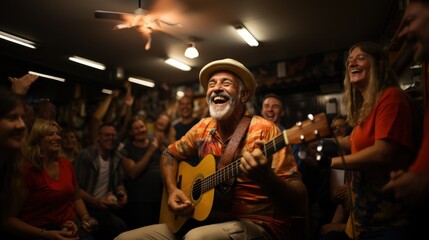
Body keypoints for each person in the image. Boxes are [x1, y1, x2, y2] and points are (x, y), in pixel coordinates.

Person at [115, 58, 307, 240]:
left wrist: (267, 178)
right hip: (201, 220)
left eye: (226, 83)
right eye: (212, 84)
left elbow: (298, 201)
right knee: (123, 237)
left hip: (258, 225)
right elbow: (169, 154)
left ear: (244, 95)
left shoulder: (266, 131)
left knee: (196, 238)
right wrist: (173, 189)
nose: (216, 88)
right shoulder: (203, 128)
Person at [330, 42, 416, 239]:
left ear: (378, 64)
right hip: (366, 222)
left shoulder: (391, 98)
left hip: (391, 223)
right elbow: (351, 142)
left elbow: (383, 152)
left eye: (361, 58)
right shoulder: (366, 110)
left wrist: (330, 162)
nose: (352, 63)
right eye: (349, 61)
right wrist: (318, 142)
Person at [4, 119, 96, 240]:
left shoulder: (66, 164)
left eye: (58, 134)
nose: (57, 137)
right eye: (51, 134)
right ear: (38, 140)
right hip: (40, 232)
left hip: (70, 226)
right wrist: (45, 234)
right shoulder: (28, 170)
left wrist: (85, 218)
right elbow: (8, 220)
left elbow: (76, 197)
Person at [382, 0, 429, 212]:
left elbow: (384, 152)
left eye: (410, 21)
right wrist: (415, 173)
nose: (403, 34)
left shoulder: (391, 96)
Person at [75, 123, 128, 240]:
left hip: (106, 205)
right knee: (117, 227)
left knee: (123, 225)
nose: (110, 138)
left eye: (113, 135)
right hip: (86, 205)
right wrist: (95, 201)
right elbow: (76, 189)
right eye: (107, 135)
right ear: (99, 137)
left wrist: (122, 192)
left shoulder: (116, 157)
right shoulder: (86, 155)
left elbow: (119, 183)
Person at [0, 74, 38, 228]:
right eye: (12, 117)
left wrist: (18, 95)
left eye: (22, 117)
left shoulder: (9, 162)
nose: (22, 125)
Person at [120, 116, 164, 229]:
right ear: (131, 132)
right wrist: (150, 151)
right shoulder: (126, 150)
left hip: (159, 198)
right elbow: (132, 173)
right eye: (136, 128)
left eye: (142, 126)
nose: (140, 130)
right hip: (140, 202)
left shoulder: (156, 145)